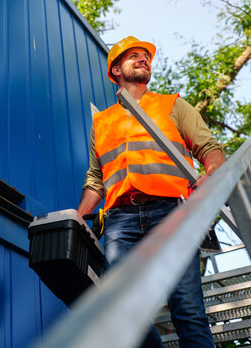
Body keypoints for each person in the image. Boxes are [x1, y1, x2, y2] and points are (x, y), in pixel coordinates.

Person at [77, 36, 225, 347]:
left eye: (146, 56)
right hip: (120, 221)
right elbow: (95, 179)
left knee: (187, 311)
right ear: (116, 70)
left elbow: (209, 149)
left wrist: (211, 176)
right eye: (134, 56)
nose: (144, 59)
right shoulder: (101, 122)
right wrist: (79, 216)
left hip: (172, 213)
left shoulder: (172, 104)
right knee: (121, 309)